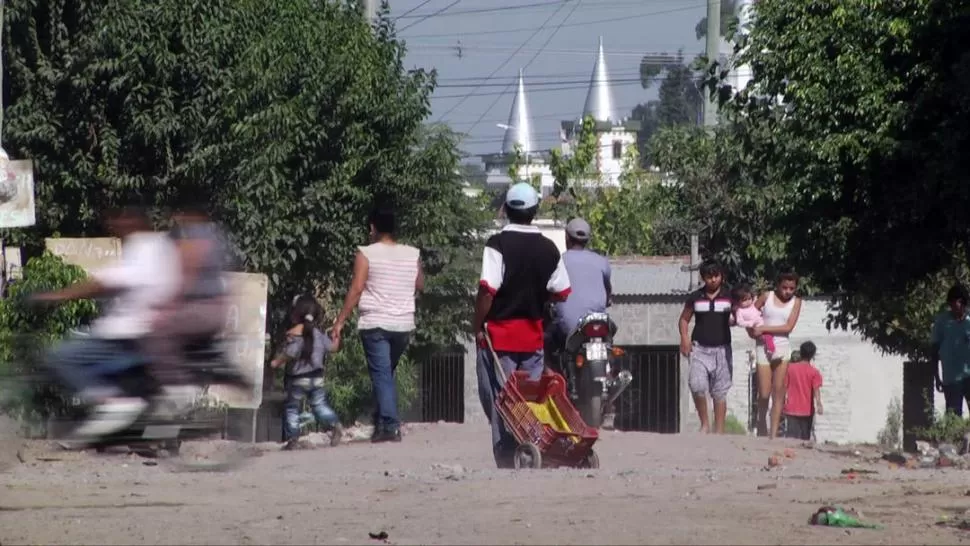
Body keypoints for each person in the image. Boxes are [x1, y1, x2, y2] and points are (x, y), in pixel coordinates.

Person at [32, 206, 181, 440]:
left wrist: (60, 295)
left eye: (116, 222)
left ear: (131, 220)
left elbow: (110, 282)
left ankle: (111, 402)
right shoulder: (162, 246)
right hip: (147, 332)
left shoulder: (143, 247)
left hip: (125, 334)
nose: (113, 229)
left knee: (59, 356)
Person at [474, 182, 571, 468]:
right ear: (535, 210)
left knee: (500, 399)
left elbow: (487, 291)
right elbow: (562, 290)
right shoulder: (549, 248)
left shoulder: (497, 245)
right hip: (533, 338)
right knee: (528, 402)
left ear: (504, 210)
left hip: (499, 338)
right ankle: (530, 452)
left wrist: (477, 323)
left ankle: (506, 456)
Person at [333, 204, 422, 443]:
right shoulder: (413, 253)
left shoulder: (366, 253)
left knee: (382, 374)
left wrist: (340, 321)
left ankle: (390, 426)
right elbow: (420, 284)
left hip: (376, 324)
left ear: (372, 227)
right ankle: (381, 422)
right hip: (403, 325)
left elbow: (356, 288)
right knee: (385, 373)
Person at [142, 204, 230, 386]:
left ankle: (176, 386)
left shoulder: (192, 236)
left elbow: (187, 274)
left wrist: (168, 306)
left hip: (199, 306)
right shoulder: (214, 236)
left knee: (155, 334)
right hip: (214, 308)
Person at [271, 295, 344, 450]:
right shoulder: (319, 334)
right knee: (319, 406)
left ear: (295, 314)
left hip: (297, 379)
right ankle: (334, 423)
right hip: (317, 378)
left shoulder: (294, 336)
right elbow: (333, 348)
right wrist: (337, 336)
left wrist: (276, 362)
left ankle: (293, 439)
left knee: (292, 408)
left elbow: (290, 353)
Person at [545, 217, 611, 369]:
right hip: (598, 325)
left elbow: (549, 291)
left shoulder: (559, 261)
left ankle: (554, 380)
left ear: (566, 237)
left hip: (568, 328)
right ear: (588, 239)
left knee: (544, 341)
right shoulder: (602, 261)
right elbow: (608, 293)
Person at [679, 260, 733, 434]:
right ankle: (704, 424)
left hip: (722, 350)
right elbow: (684, 319)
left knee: (719, 391)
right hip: (699, 348)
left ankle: (719, 431)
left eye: (716, 276)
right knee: (696, 384)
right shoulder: (695, 297)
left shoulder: (729, 296)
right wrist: (684, 338)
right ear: (703, 278)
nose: (713, 280)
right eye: (709, 276)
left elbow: (742, 313)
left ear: (722, 277)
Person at [749, 270, 803, 439]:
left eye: (791, 288)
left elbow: (788, 327)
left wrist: (764, 328)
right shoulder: (766, 297)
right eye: (785, 287)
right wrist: (751, 331)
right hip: (763, 347)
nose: (788, 291)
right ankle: (761, 425)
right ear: (778, 285)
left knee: (778, 391)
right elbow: (749, 314)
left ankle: (773, 434)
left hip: (782, 348)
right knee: (764, 392)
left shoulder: (796, 302)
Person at [931, 284, 970, 416]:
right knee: (953, 418)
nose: (953, 307)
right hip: (951, 379)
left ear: (963, 303)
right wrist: (936, 376)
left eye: (956, 303)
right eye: (951, 304)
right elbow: (934, 350)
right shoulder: (942, 322)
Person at [783, 341, 823, 441]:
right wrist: (819, 404)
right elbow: (816, 390)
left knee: (791, 438)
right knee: (805, 438)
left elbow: (784, 387)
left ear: (801, 352)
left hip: (791, 408)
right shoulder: (814, 372)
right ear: (813, 355)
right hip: (807, 411)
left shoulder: (790, 368)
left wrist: (781, 403)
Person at [732, 284, 775, 356]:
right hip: (755, 328)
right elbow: (740, 322)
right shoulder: (740, 311)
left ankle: (770, 350)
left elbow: (756, 300)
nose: (748, 301)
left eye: (749, 299)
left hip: (762, 324)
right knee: (768, 338)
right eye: (744, 300)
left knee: (770, 337)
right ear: (737, 301)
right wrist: (749, 323)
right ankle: (771, 351)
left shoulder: (752, 305)